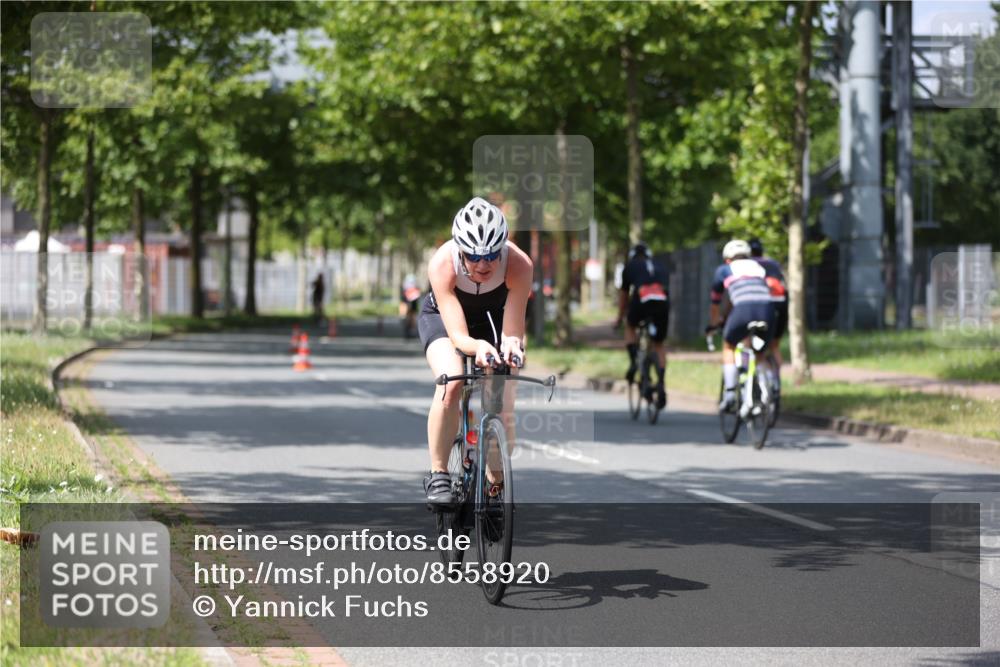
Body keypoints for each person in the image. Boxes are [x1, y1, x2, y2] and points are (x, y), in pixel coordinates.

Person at [419, 197, 532, 505]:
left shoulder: (519, 264)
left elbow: (512, 330)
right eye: (473, 256)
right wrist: (479, 347)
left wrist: (511, 346)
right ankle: (439, 473)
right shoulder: (443, 263)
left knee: (502, 404)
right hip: (445, 320)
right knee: (451, 381)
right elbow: (457, 335)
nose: (484, 264)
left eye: (493, 255)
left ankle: (494, 485)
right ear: (460, 250)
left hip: (492, 320)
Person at [707, 239, 776, 411]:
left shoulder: (724, 270)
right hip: (767, 310)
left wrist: (714, 323)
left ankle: (730, 395)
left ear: (727, 259)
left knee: (729, 346)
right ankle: (768, 393)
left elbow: (716, 302)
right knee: (760, 353)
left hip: (743, 310)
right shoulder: (760, 268)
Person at [614, 242, 669, 409]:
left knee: (630, 326)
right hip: (662, 302)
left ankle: (633, 362)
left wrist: (620, 318)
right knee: (658, 344)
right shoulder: (659, 265)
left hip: (642, 298)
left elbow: (624, 297)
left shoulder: (629, 267)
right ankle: (661, 383)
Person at [749, 238, 787, 398]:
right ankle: (776, 383)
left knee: (757, 348)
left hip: (762, 306)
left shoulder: (748, 265)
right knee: (775, 345)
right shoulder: (773, 264)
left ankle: (764, 384)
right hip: (781, 305)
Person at [399, 273, 422, 339]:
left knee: (412, 316)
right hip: (408, 301)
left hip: (412, 302)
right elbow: (403, 299)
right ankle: (407, 326)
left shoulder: (411, 287)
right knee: (408, 316)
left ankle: (411, 328)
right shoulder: (407, 288)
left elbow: (416, 298)